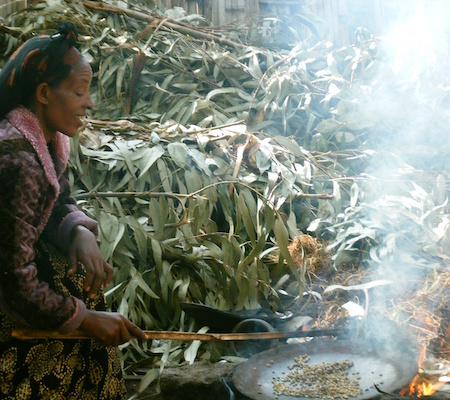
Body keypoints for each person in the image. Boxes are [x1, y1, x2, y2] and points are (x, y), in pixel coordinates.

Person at [0, 22, 148, 399]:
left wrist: (78, 230)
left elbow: (55, 200)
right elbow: (15, 278)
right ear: (45, 93)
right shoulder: (17, 159)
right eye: (79, 91)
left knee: (81, 280)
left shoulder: (43, 139)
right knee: (82, 328)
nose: (90, 102)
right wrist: (83, 320)